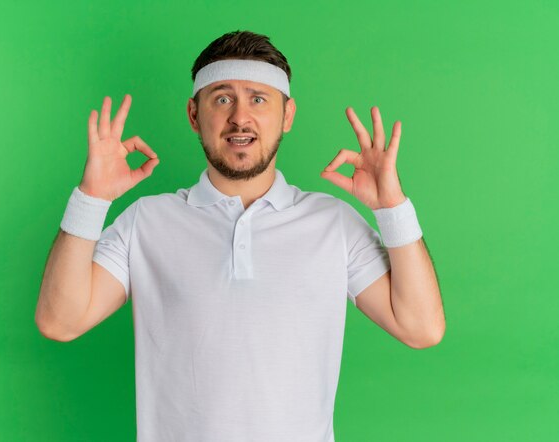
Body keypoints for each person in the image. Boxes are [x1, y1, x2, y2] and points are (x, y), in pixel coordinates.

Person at [36, 30, 445, 442]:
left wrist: (392, 208)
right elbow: (60, 321)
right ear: (195, 115)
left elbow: (421, 328)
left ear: (287, 115)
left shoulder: (333, 223)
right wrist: (91, 199)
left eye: (258, 98)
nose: (240, 118)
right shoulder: (147, 220)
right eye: (222, 98)